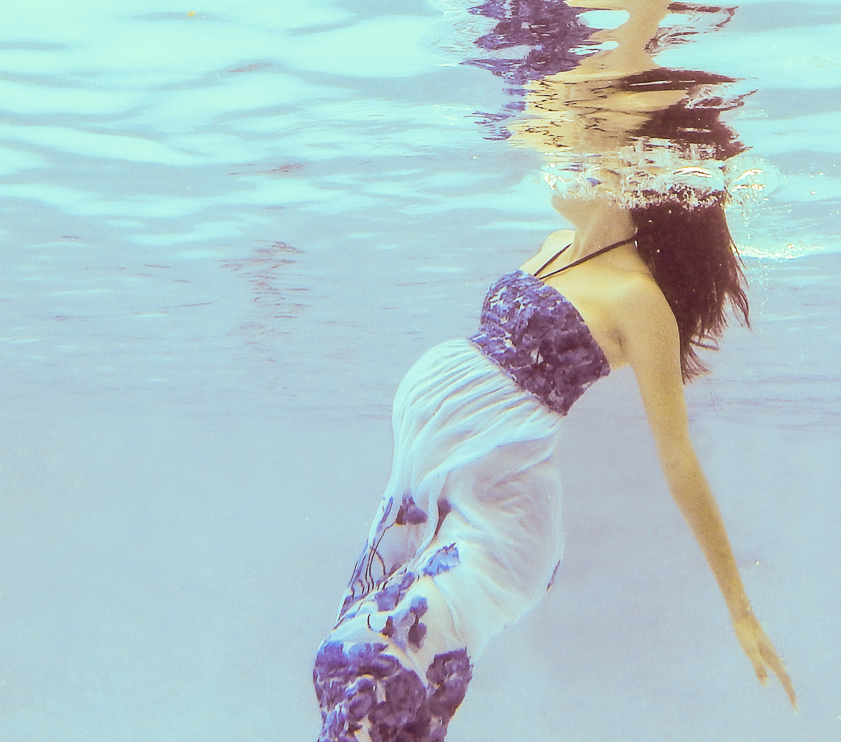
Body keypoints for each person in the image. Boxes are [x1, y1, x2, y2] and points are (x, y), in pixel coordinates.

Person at [310, 66, 798, 740]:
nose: (562, 154)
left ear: (629, 169)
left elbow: (679, 460)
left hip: (503, 521)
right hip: (430, 490)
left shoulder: (638, 301)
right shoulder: (554, 248)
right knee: (349, 672)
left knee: (367, 666)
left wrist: (740, 606)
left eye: (586, 141)